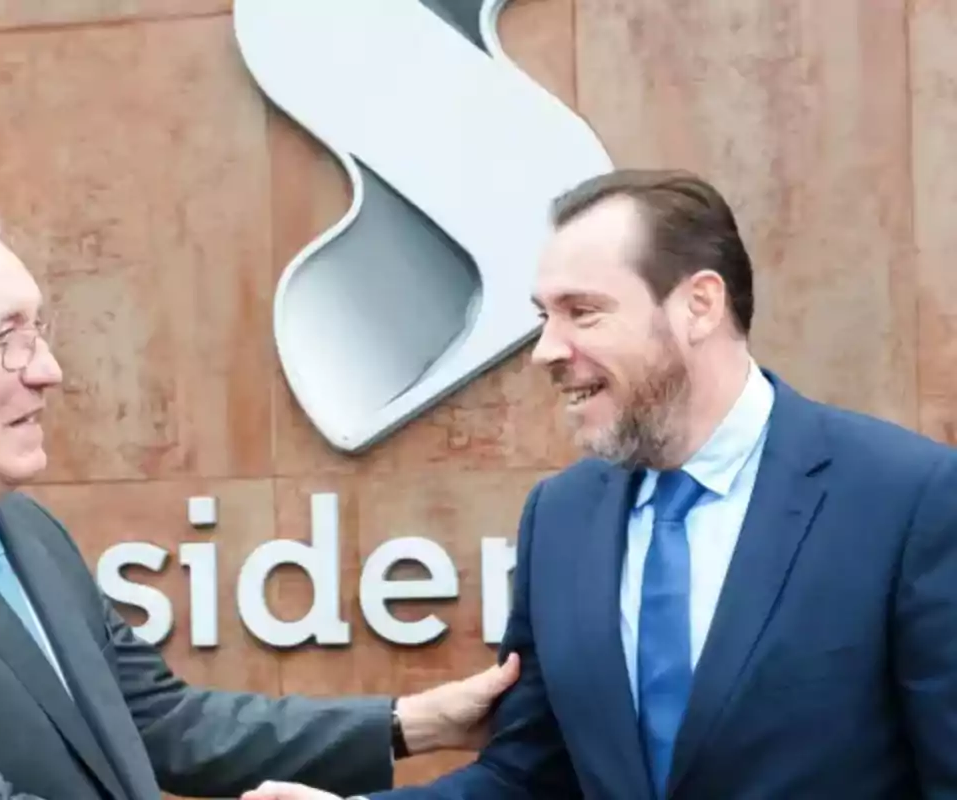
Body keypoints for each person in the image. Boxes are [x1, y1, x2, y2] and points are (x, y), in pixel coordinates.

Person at [0, 193, 522, 800]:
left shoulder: (21, 529)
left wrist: (417, 723)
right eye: (6, 338)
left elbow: (159, 721)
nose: (47, 370)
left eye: (40, 331)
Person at [241, 168, 957, 800]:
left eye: (583, 312)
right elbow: (531, 776)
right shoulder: (559, 518)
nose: (547, 350)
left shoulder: (908, 499)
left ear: (699, 306)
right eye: (542, 316)